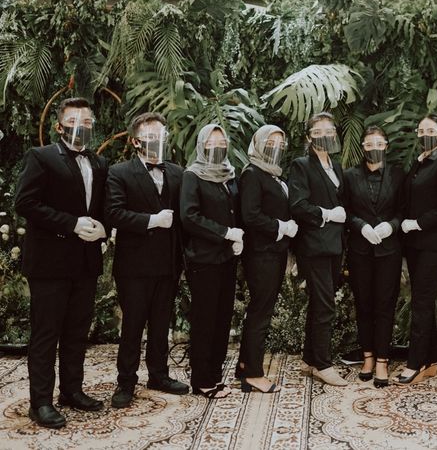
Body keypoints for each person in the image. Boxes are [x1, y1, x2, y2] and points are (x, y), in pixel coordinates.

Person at [15, 97, 108, 428]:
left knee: (76, 332)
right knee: (46, 334)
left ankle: (72, 391)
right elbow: (25, 202)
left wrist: (102, 229)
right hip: (49, 264)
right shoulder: (41, 158)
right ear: (59, 126)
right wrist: (70, 223)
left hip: (85, 263)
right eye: (73, 120)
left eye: (86, 120)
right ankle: (40, 402)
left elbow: (103, 209)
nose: (80, 125)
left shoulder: (99, 163)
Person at [105, 112, 189, 408]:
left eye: (162, 136)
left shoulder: (178, 173)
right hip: (134, 266)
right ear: (135, 141)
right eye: (151, 137)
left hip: (167, 264)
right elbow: (113, 213)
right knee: (133, 325)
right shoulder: (119, 172)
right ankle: (125, 382)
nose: (158, 141)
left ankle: (159, 375)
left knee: (160, 324)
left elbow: (186, 217)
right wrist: (151, 220)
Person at [396, 114, 437, 385]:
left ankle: (416, 362)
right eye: (420, 130)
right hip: (415, 245)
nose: (424, 135)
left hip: (434, 245)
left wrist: (419, 223)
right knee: (424, 302)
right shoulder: (420, 162)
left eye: (430, 130)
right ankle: (431, 355)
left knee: (421, 302)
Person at [180, 123, 242, 399]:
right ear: (202, 145)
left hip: (227, 258)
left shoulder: (229, 175)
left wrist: (238, 237)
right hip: (203, 258)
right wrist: (224, 233)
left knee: (222, 318)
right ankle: (201, 379)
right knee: (205, 319)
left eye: (222, 142)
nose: (217, 147)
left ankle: (216, 374)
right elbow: (189, 216)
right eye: (211, 143)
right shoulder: (193, 175)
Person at [234, 125, 297, 393]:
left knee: (260, 309)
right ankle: (254, 374)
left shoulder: (272, 175)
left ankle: (245, 365)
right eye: (270, 142)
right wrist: (281, 227)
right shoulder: (252, 174)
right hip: (261, 254)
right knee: (260, 311)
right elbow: (250, 216)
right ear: (259, 144)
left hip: (274, 253)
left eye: (280, 144)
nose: (276, 148)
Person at [289, 112, 348, 386]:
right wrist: (326, 214)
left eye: (329, 130)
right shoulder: (302, 165)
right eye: (318, 131)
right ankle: (324, 365)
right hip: (314, 246)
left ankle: (309, 359)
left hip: (334, 246)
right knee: (326, 305)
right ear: (309, 137)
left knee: (319, 303)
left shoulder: (336, 167)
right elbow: (298, 205)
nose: (324, 135)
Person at [343, 125, 405, 388]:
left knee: (384, 305)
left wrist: (390, 225)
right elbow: (345, 209)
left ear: (386, 146)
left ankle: (382, 359)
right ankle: (367, 356)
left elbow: (404, 209)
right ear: (363, 148)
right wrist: (361, 226)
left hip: (389, 250)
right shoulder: (349, 176)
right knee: (364, 304)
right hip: (361, 249)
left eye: (379, 144)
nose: (374, 149)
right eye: (369, 145)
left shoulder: (398, 174)